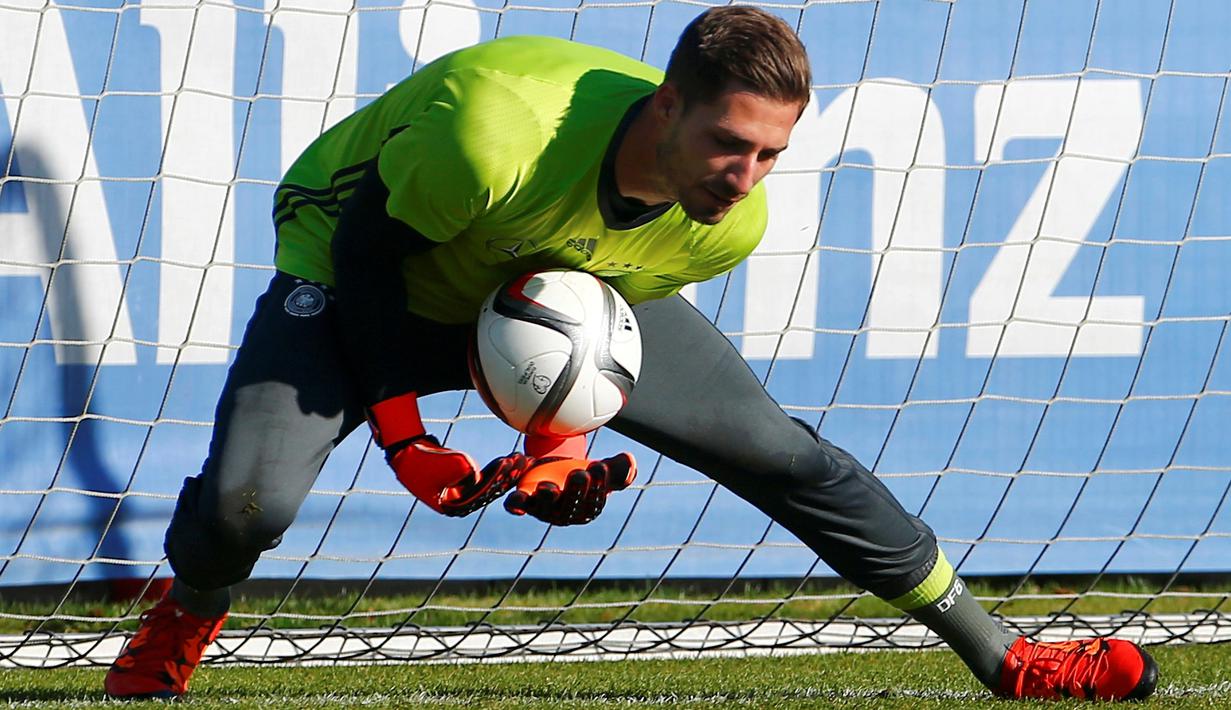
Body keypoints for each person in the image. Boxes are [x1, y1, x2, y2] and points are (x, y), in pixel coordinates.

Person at [103, 7, 1158, 702]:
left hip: (536, 276)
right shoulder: (492, 133)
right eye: (727, 143)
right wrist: (404, 431)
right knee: (251, 506)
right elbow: (370, 254)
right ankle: (185, 611)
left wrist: (556, 441)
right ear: (666, 106)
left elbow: (582, 333)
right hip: (357, 261)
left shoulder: (725, 221)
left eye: (770, 153)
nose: (745, 175)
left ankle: (1006, 655)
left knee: (780, 453)